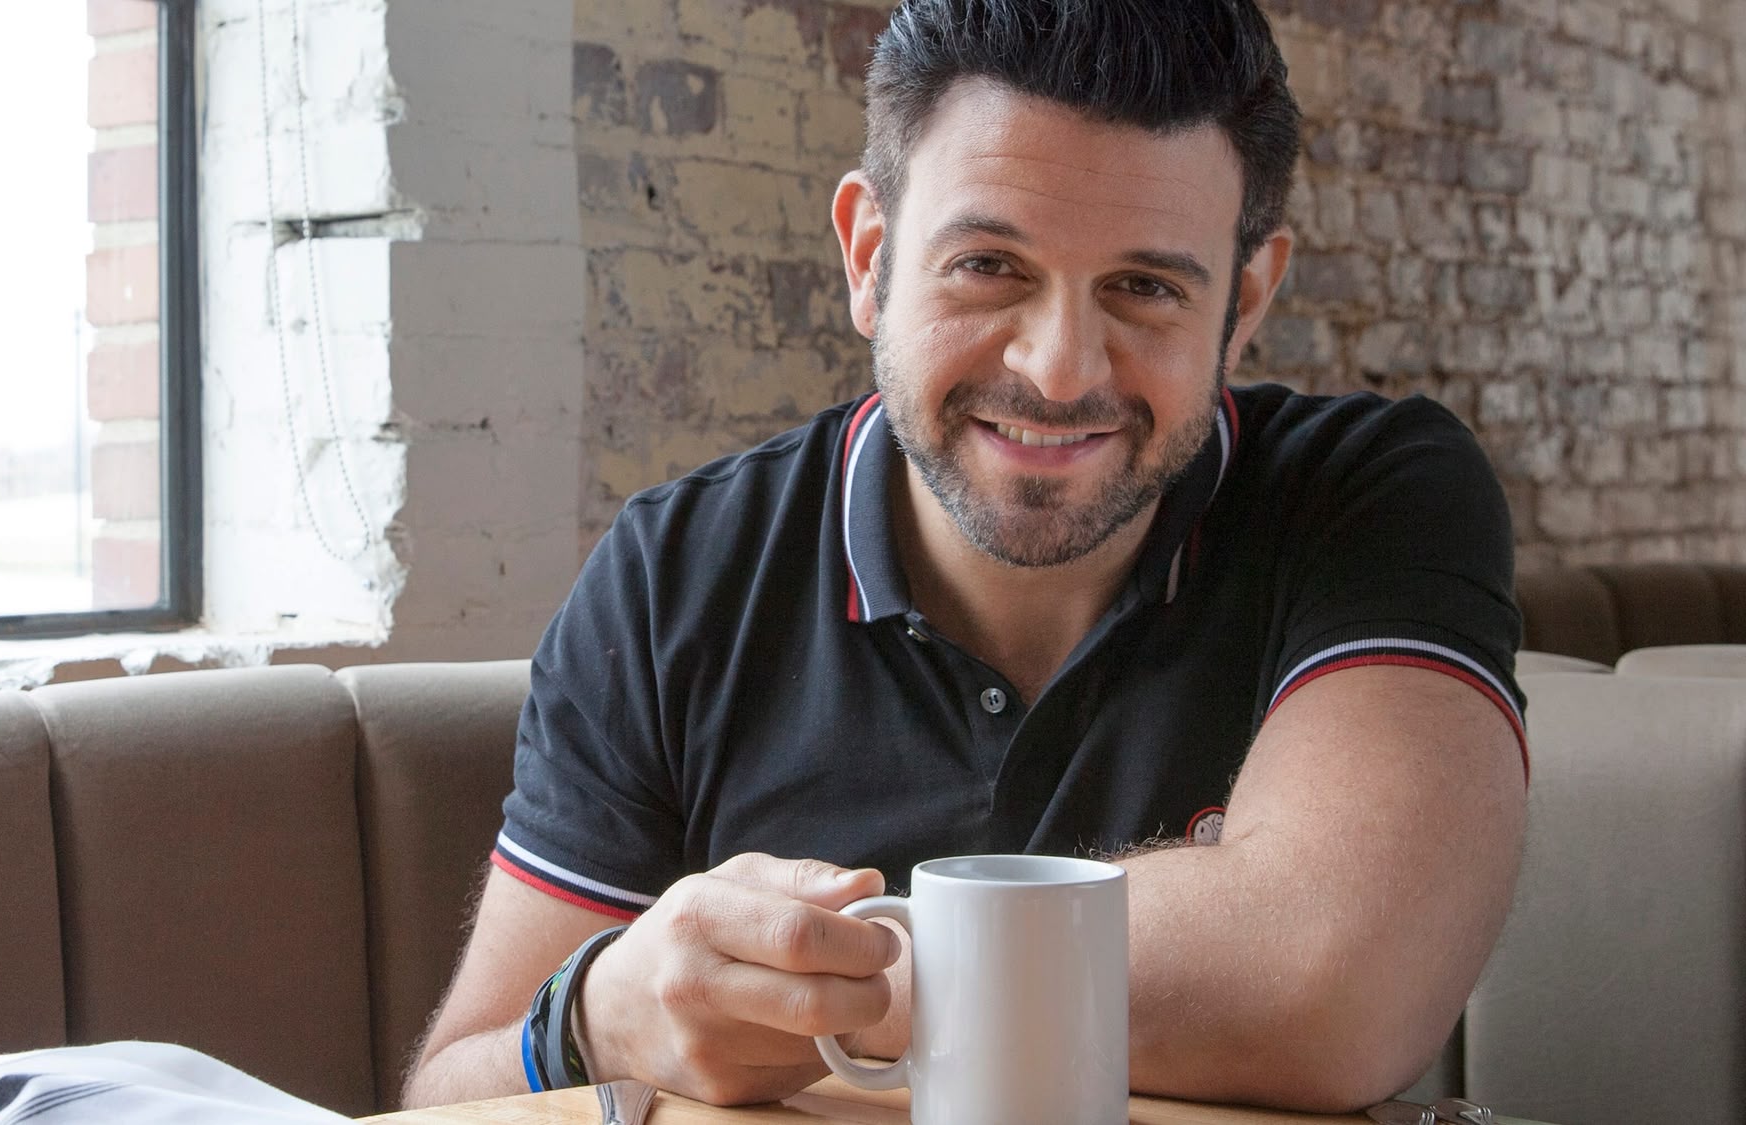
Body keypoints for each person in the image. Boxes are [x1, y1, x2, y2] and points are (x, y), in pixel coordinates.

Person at [405, 0, 1527, 1113]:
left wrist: (819, 991)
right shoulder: (676, 572)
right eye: (989, 264)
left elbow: (1333, 982)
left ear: (1242, 303)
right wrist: (597, 1016)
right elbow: (446, 1095)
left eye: (1145, 288)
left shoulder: (1371, 496)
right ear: (869, 256)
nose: (1058, 368)